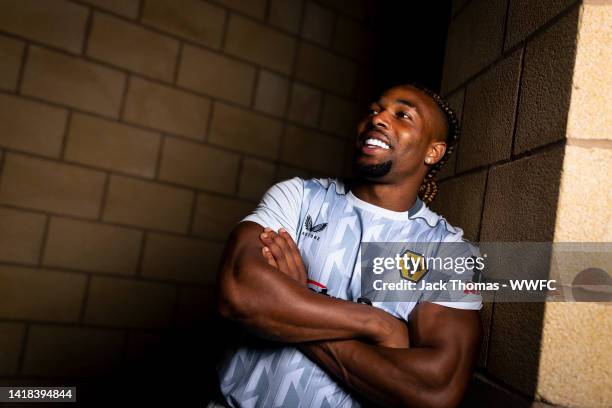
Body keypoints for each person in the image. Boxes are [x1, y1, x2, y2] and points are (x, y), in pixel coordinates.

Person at [213, 83, 483, 408]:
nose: (378, 117)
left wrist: (296, 302)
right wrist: (378, 324)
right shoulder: (298, 197)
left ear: (433, 152)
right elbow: (241, 293)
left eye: (402, 115)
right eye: (374, 109)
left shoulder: (446, 250)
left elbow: (435, 391)